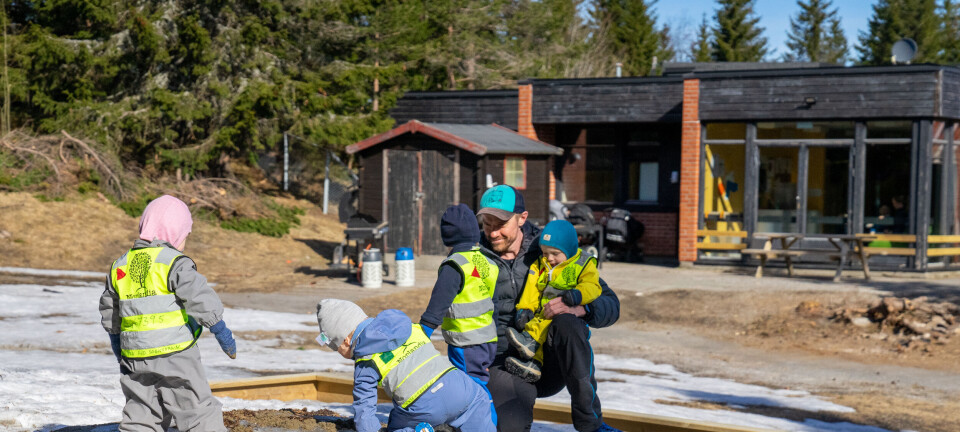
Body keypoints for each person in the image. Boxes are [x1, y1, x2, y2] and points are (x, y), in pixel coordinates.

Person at [475, 185, 622, 432]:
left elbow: (610, 304)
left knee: (568, 322)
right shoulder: (473, 256)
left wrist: (583, 309)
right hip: (507, 362)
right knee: (510, 427)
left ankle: (591, 424)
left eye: (500, 224)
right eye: (487, 224)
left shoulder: (552, 248)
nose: (493, 232)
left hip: (554, 358)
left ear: (522, 218)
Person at [99, 195, 237, 432]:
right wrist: (220, 329)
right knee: (196, 409)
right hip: (176, 352)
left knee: (141, 412)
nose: (184, 242)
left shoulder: (120, 265)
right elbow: (199, 296)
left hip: (135, 354)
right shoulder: (173, 262)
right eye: (185, 236)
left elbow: (110, 309)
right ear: (173, 233)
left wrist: (116, 343)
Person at [317, 299, 495, 432]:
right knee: (476, 402)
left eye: (336, 347)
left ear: (346, 340)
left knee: (398, 425)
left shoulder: (365, 360)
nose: (339, 352)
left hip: (424, 407)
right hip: (458, 386)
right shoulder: (408, 327)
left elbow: (364, 408)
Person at [419, 203, 500, 422]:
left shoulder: (454, 265)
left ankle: (486, 424)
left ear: (447, 236)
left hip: (466, 342)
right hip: (487, 339)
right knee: (476, 382)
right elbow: (493, 303)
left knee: (472, 387)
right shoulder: (487, 263)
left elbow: (438, 303)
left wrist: (423, 332)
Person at [504, 220, 601, 383]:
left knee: (545, 324)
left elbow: (593, 286)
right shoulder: (540, 264)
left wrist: (578, 295)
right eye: (545, 253)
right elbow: (532, 288)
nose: (549, 258)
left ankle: (529, 340)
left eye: (555, 253)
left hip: (565, 313)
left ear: (570, 249)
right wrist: (525, 308)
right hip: (544, 310)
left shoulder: (583, 264)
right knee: (536, 321)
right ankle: (533, 365)